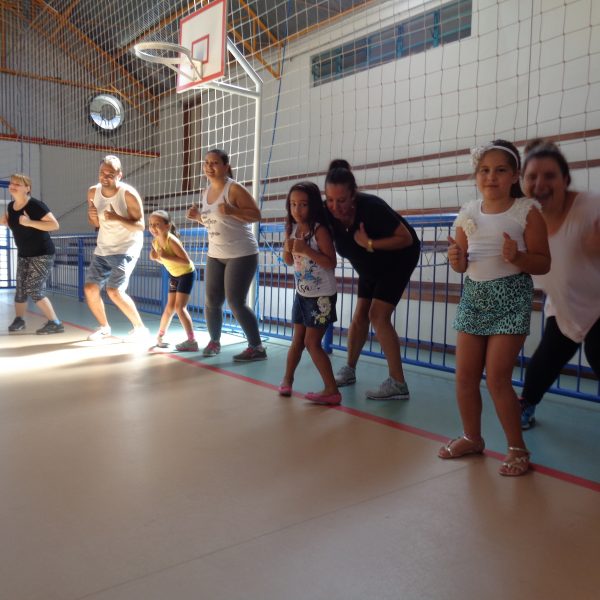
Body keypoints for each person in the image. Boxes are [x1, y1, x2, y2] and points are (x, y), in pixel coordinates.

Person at [438, 140, 551, 477]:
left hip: (511, 297)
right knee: (464, 376)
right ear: (476, 176)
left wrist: (518, 257)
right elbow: (461, 264)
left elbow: (543, 262)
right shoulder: (468, 212)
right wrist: (455, 259)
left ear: (514, 175)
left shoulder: (526, 211)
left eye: (500, 170)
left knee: (498, 378)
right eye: (484, 170)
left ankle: (517, 447)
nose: (491, 177)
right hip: (474, 297)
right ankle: (472, 437)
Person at [519, 139, 600, 429]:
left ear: (565, 180)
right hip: (564, 306)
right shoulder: (522, 219)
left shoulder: (591, 207)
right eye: (532, 176)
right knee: (543, 363)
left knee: (597, 352)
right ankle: (526, 404)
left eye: (550, 176)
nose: (540, 183)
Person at [323, 159, 420, 400]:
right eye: (330, 200)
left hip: (397, 260)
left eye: (341, 200)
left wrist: (369, 243)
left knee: (378, 315)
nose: (335, 207)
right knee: (360, 316)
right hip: (368, 265)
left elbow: (406, 239)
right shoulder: (327, 213)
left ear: (353, 195)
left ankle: (398, 383)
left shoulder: (371, 207)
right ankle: (349, 369)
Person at [186, 148, 266, 362]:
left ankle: (257, 347)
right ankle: (214, 341)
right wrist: (198, 218)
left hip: (241, 254)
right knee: (212, 300)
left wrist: (233, 210)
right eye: (206, 163)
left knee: (236, 301)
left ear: (225, 166)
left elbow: (256, 215)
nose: (209, 167)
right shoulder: (205, 192)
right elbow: (215, 222)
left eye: (214, 163)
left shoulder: (234, 189)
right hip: (216, 254)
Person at [280, 182, 340, 405]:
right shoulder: (293, 228)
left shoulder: (319, 230)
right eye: (293, 204)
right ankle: (287, 380)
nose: (297, 209)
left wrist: (306, 250)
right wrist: (287, 245)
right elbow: (288, 261)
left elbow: (331, 262)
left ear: (313, 205)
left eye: (303, 204)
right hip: (302, 294)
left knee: (312, 343)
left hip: (321, 296)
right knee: (297, 340)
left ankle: (332, 390)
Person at [84, 155, 148, 341]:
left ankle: (140, 328)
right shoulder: (92, 192)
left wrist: (118, 218)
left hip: (126, 247)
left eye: (110, 174)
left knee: (114, 290)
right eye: (102, 173)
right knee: (90, 288)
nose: (105, 177)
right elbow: (95, 223)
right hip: (103, 247)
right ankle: (104, 327)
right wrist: (92, 216)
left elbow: (141, 226)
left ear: (119, 174)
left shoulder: (128, 194)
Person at [1, 173, 64, 334]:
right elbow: (10, 221)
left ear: (27, 188)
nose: (13, 186)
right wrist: (5, 221)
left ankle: (55, 323)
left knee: (34, 289)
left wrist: (29, 222)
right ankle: (19, 320)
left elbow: (54, 225)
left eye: (18, 184)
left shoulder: (35, 205)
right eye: (12, 183)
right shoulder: (11, 206)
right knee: (21, 289)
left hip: (42, 253)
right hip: (24, 254)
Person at [148, 210, 198, 352]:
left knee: (179, 307)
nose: (153, 227)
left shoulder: (172, 241)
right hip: (175, 275)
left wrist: (164, 256)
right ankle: (160, 337)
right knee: (169, 307)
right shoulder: (155, 242)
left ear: (167, 226)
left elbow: (185, 261)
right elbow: (164, 260)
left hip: (186, 274)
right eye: (151, 224)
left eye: (157, 224)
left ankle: (192, 341)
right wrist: (156, 258)